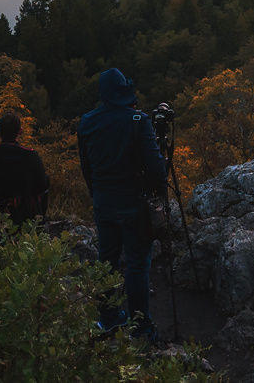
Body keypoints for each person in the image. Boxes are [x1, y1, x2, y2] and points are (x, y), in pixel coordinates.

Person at [77, 68, 166, 339]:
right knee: (137, 265)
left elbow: (86, 167)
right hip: (133, 203)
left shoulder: (87, 122)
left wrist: (98, 193)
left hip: (104, 201)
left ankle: (108, 319)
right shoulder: (138, 121)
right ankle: (140, 328)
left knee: (107, 261)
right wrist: (156, 195)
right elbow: (156, 169)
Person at [0, 112, 50, 225]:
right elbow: (41, 185)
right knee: (46, 179)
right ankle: (39, 222)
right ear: (20, 131)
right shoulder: (31, 156)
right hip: (23, 216)